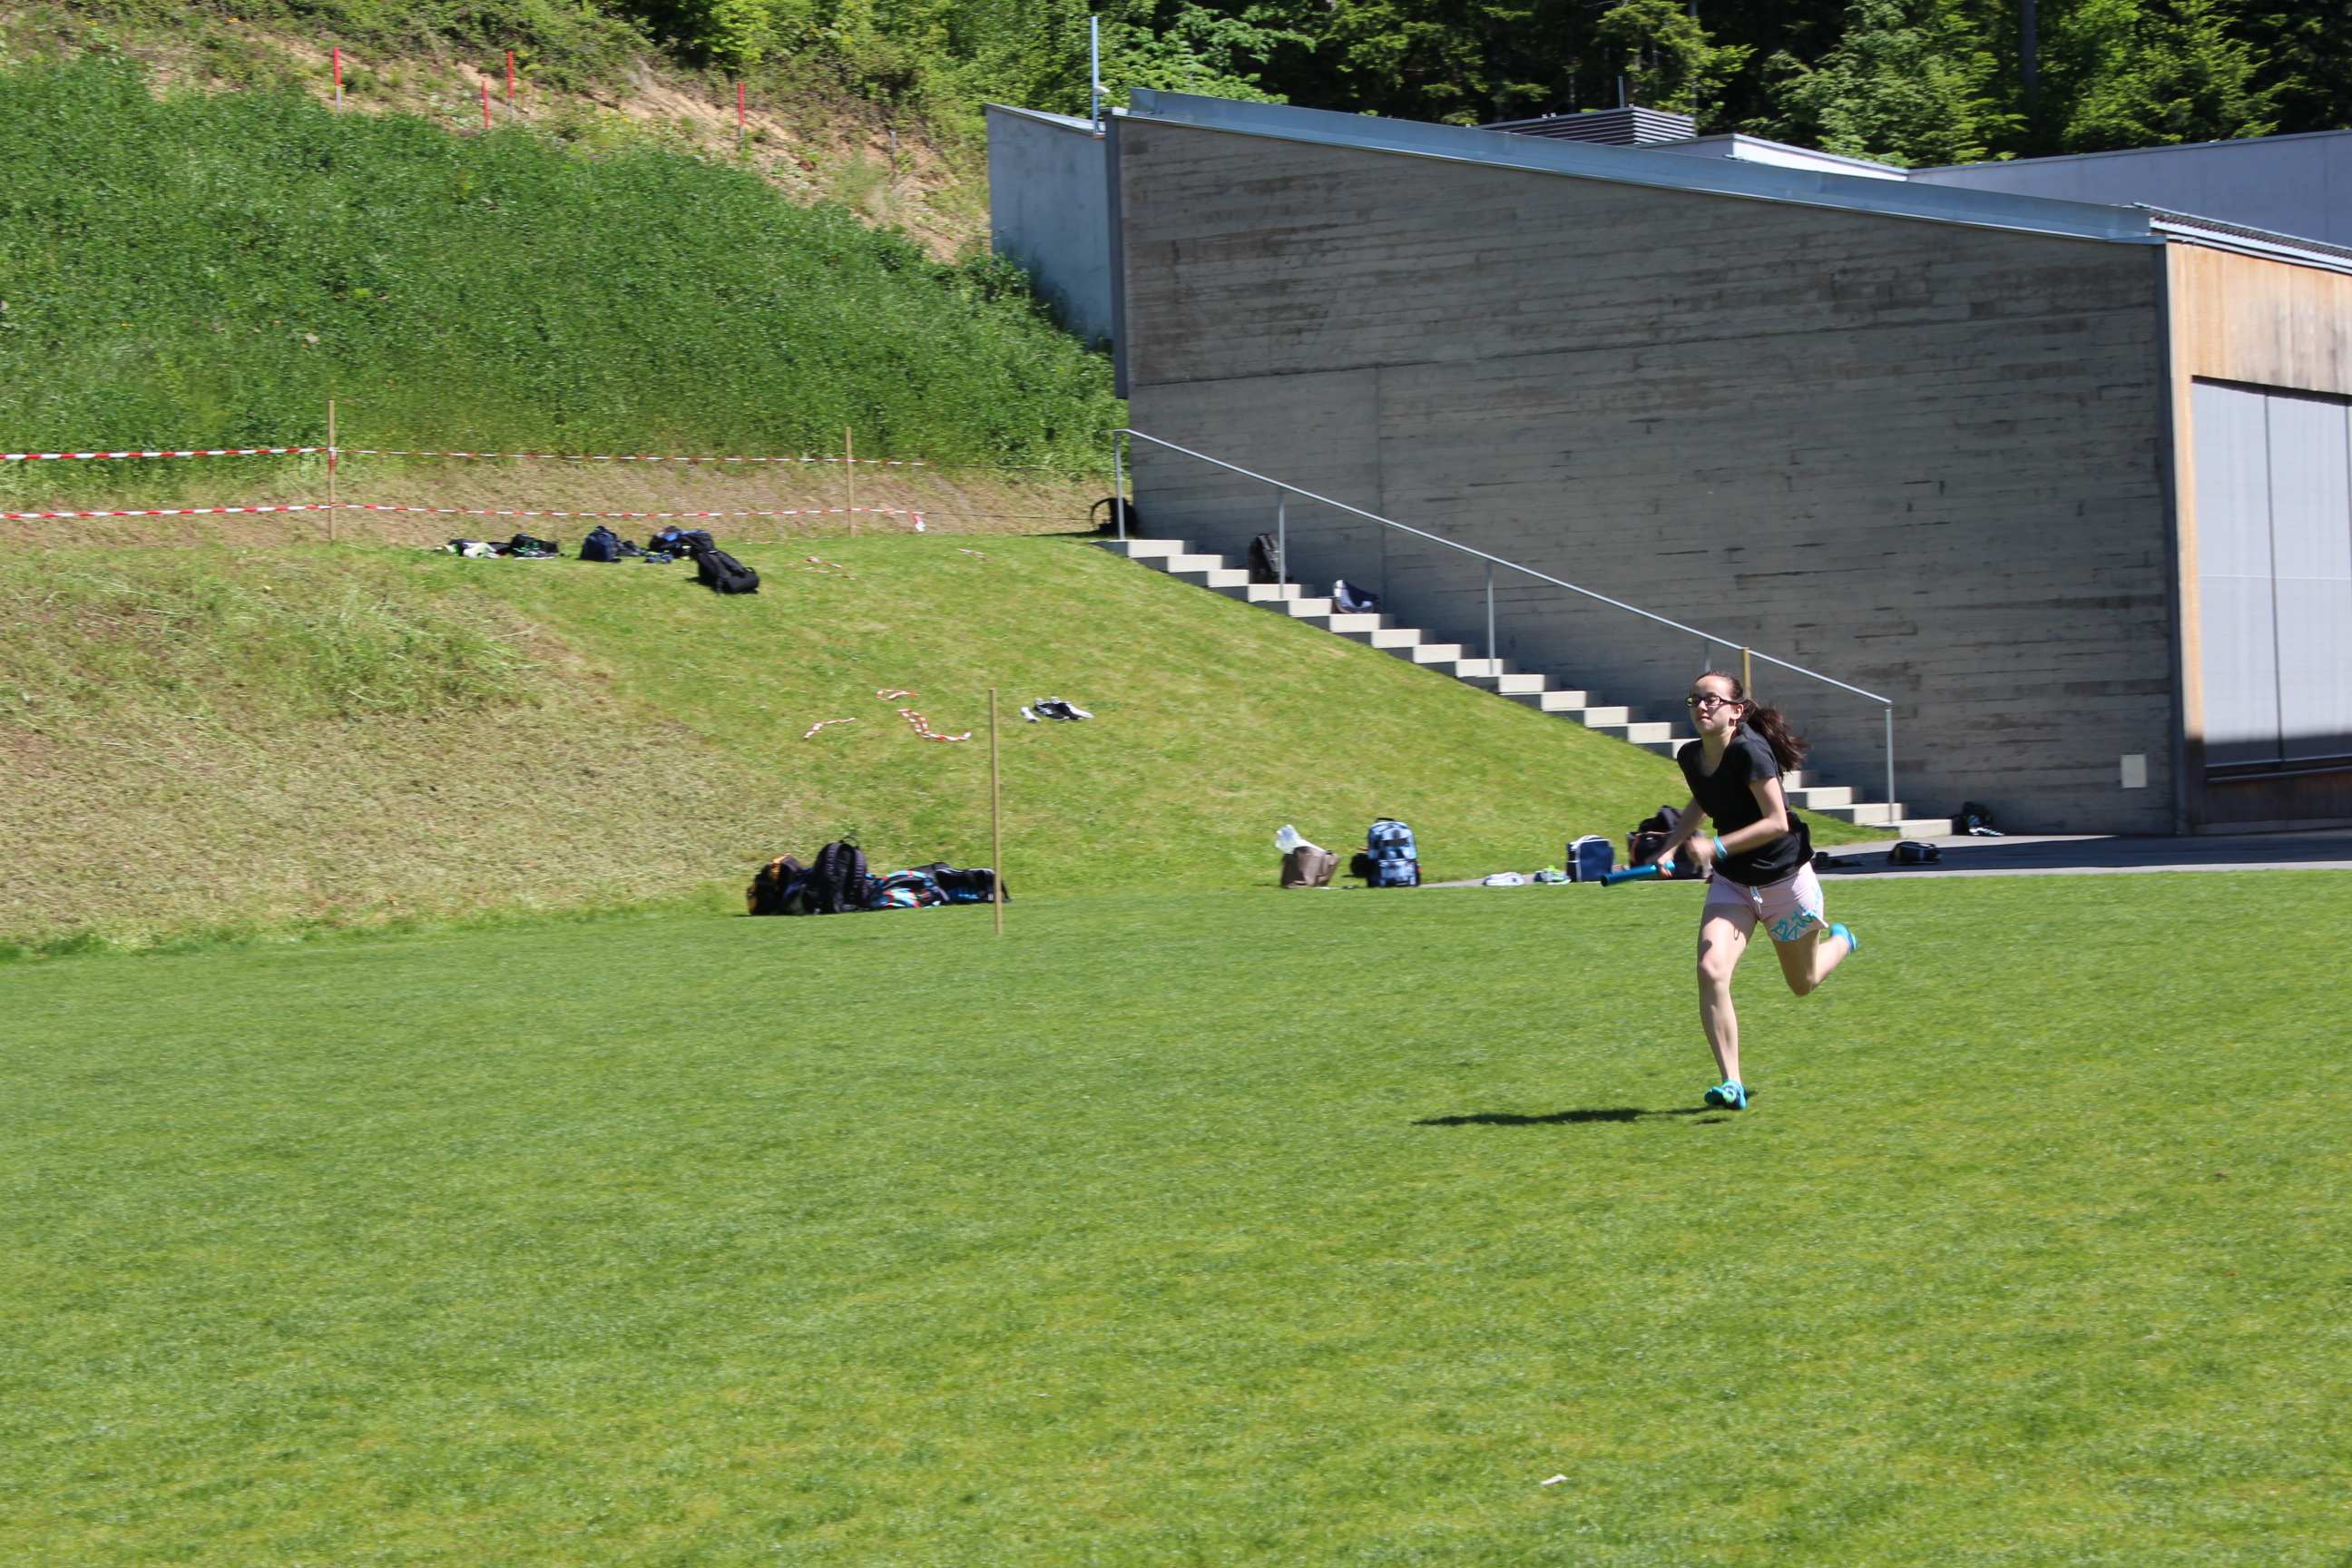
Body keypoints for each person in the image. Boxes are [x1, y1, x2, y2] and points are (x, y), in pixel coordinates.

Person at [1638, 671, 1860, 1111]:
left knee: (1803, 983)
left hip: (1786, 883)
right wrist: (1671, 846)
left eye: (1712, 700)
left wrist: (1715, 846)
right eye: (1695, 699)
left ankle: (1841, 942)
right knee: (1711, 969)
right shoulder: (1691, 756)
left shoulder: (1751, 752)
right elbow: (1702, 802)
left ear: (1736, 711)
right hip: (1734, 884)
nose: (1702, 706)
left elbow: (1777, 821)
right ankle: (1731, 1083)